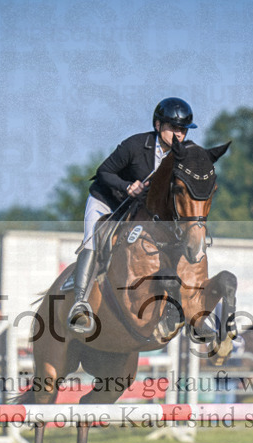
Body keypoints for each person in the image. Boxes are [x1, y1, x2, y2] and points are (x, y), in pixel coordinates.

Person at [68, 97, 198, 335]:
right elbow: (103, 172)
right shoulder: (136, 145)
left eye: (183, 129)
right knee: (92, 240)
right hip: (107, 201)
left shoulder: (182, 157)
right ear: (158, 125)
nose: (179, 134)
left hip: (137, 209)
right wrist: (127, 186)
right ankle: (79, 304)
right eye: (173, 128)